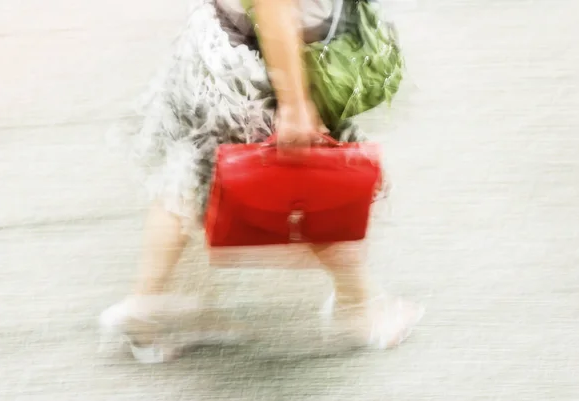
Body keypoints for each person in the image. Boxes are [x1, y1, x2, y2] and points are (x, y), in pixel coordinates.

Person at [100, 0, 424, 363]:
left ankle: (151, 305)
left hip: (221, 40)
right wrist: (295, 103)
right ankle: (358, 306)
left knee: (191, 180)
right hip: (258, 64)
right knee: (312, 178)